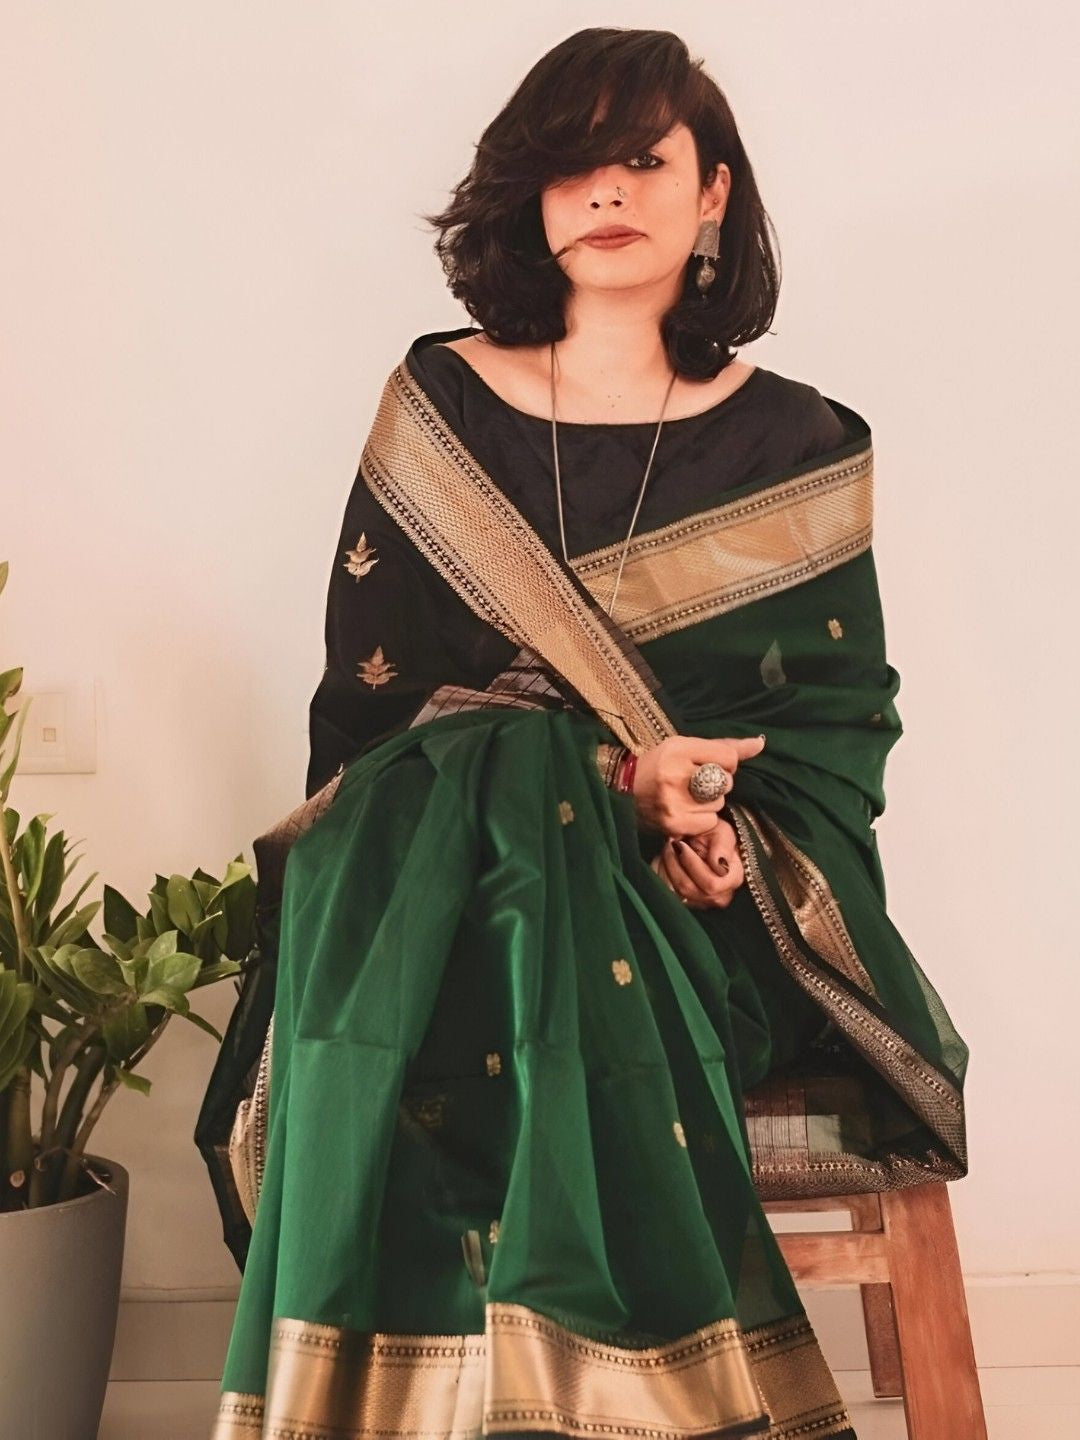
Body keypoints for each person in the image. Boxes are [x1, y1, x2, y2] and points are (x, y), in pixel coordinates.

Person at [198, 27, 969, 1440]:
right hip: (438, 881)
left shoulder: (799, 448)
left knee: (526, 847)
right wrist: (606, 775)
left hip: (701, 906)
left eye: (642, 158)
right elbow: (370, 714)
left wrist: (710, 824)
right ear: (532, 199)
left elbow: (837, 733)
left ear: (714, 194)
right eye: (571, 164)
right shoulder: (438, 409)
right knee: (491, 799)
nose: (605, 191)